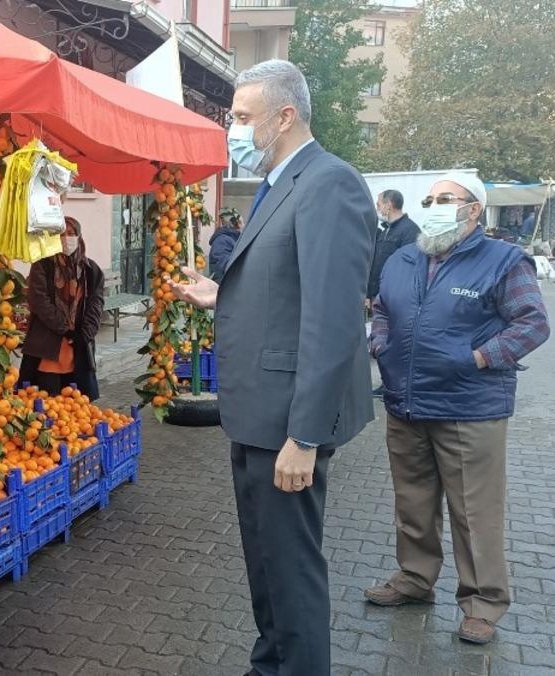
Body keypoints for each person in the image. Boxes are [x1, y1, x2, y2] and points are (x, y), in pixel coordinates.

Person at [173, 59, 376, 676]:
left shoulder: (329, 184)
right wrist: (222, 293)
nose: (231, 129)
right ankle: (271, 664)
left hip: (289, 423)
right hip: (257, 414)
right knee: (265, 565)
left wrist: (305, 436)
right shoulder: (279, 183)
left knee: (290, 572)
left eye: (240, 118)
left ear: (283, 116)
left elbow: (333, 319)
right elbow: (284, 284)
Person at [366, 173, 550, 645]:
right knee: (412, 501)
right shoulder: (406, 257)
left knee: (474, 510)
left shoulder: (503, 260)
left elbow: (532, 323)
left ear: (474, 210)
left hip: (469, 407)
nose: (433, 205)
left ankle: (483, 602)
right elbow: (383, 307)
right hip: (406, 401)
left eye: (444, 199)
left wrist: (479, 358)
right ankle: (414, 578)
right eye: (429, 199)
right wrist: (381, 343)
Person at [21, 216, 105, 399]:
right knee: (47, 403)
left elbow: (95, 305)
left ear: (79, 236)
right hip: (48, 345)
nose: (66, 238)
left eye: (71, 233)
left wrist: (84, 335)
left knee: (77, 407)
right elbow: (39, 301)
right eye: (60, 234)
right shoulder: (42, 265)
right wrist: (65, 329)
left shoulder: (92, 271)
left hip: (79, 347)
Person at [368, 190, 419, 395]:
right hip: (379, 294)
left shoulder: (409, 231)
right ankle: (387, 382)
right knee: (381, 339)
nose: (378, 208)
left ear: (389, 204)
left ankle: (398, 383)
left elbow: (411, 267)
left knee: (397, 339)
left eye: (379, 204)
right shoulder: (386, 230)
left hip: (397, 296)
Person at [209, 208, 242, 282]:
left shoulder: (231, 239)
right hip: (223, 288)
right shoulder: (222, 240)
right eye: (240, 222)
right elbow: (227, 266)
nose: (243, 225)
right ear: (235, 224)